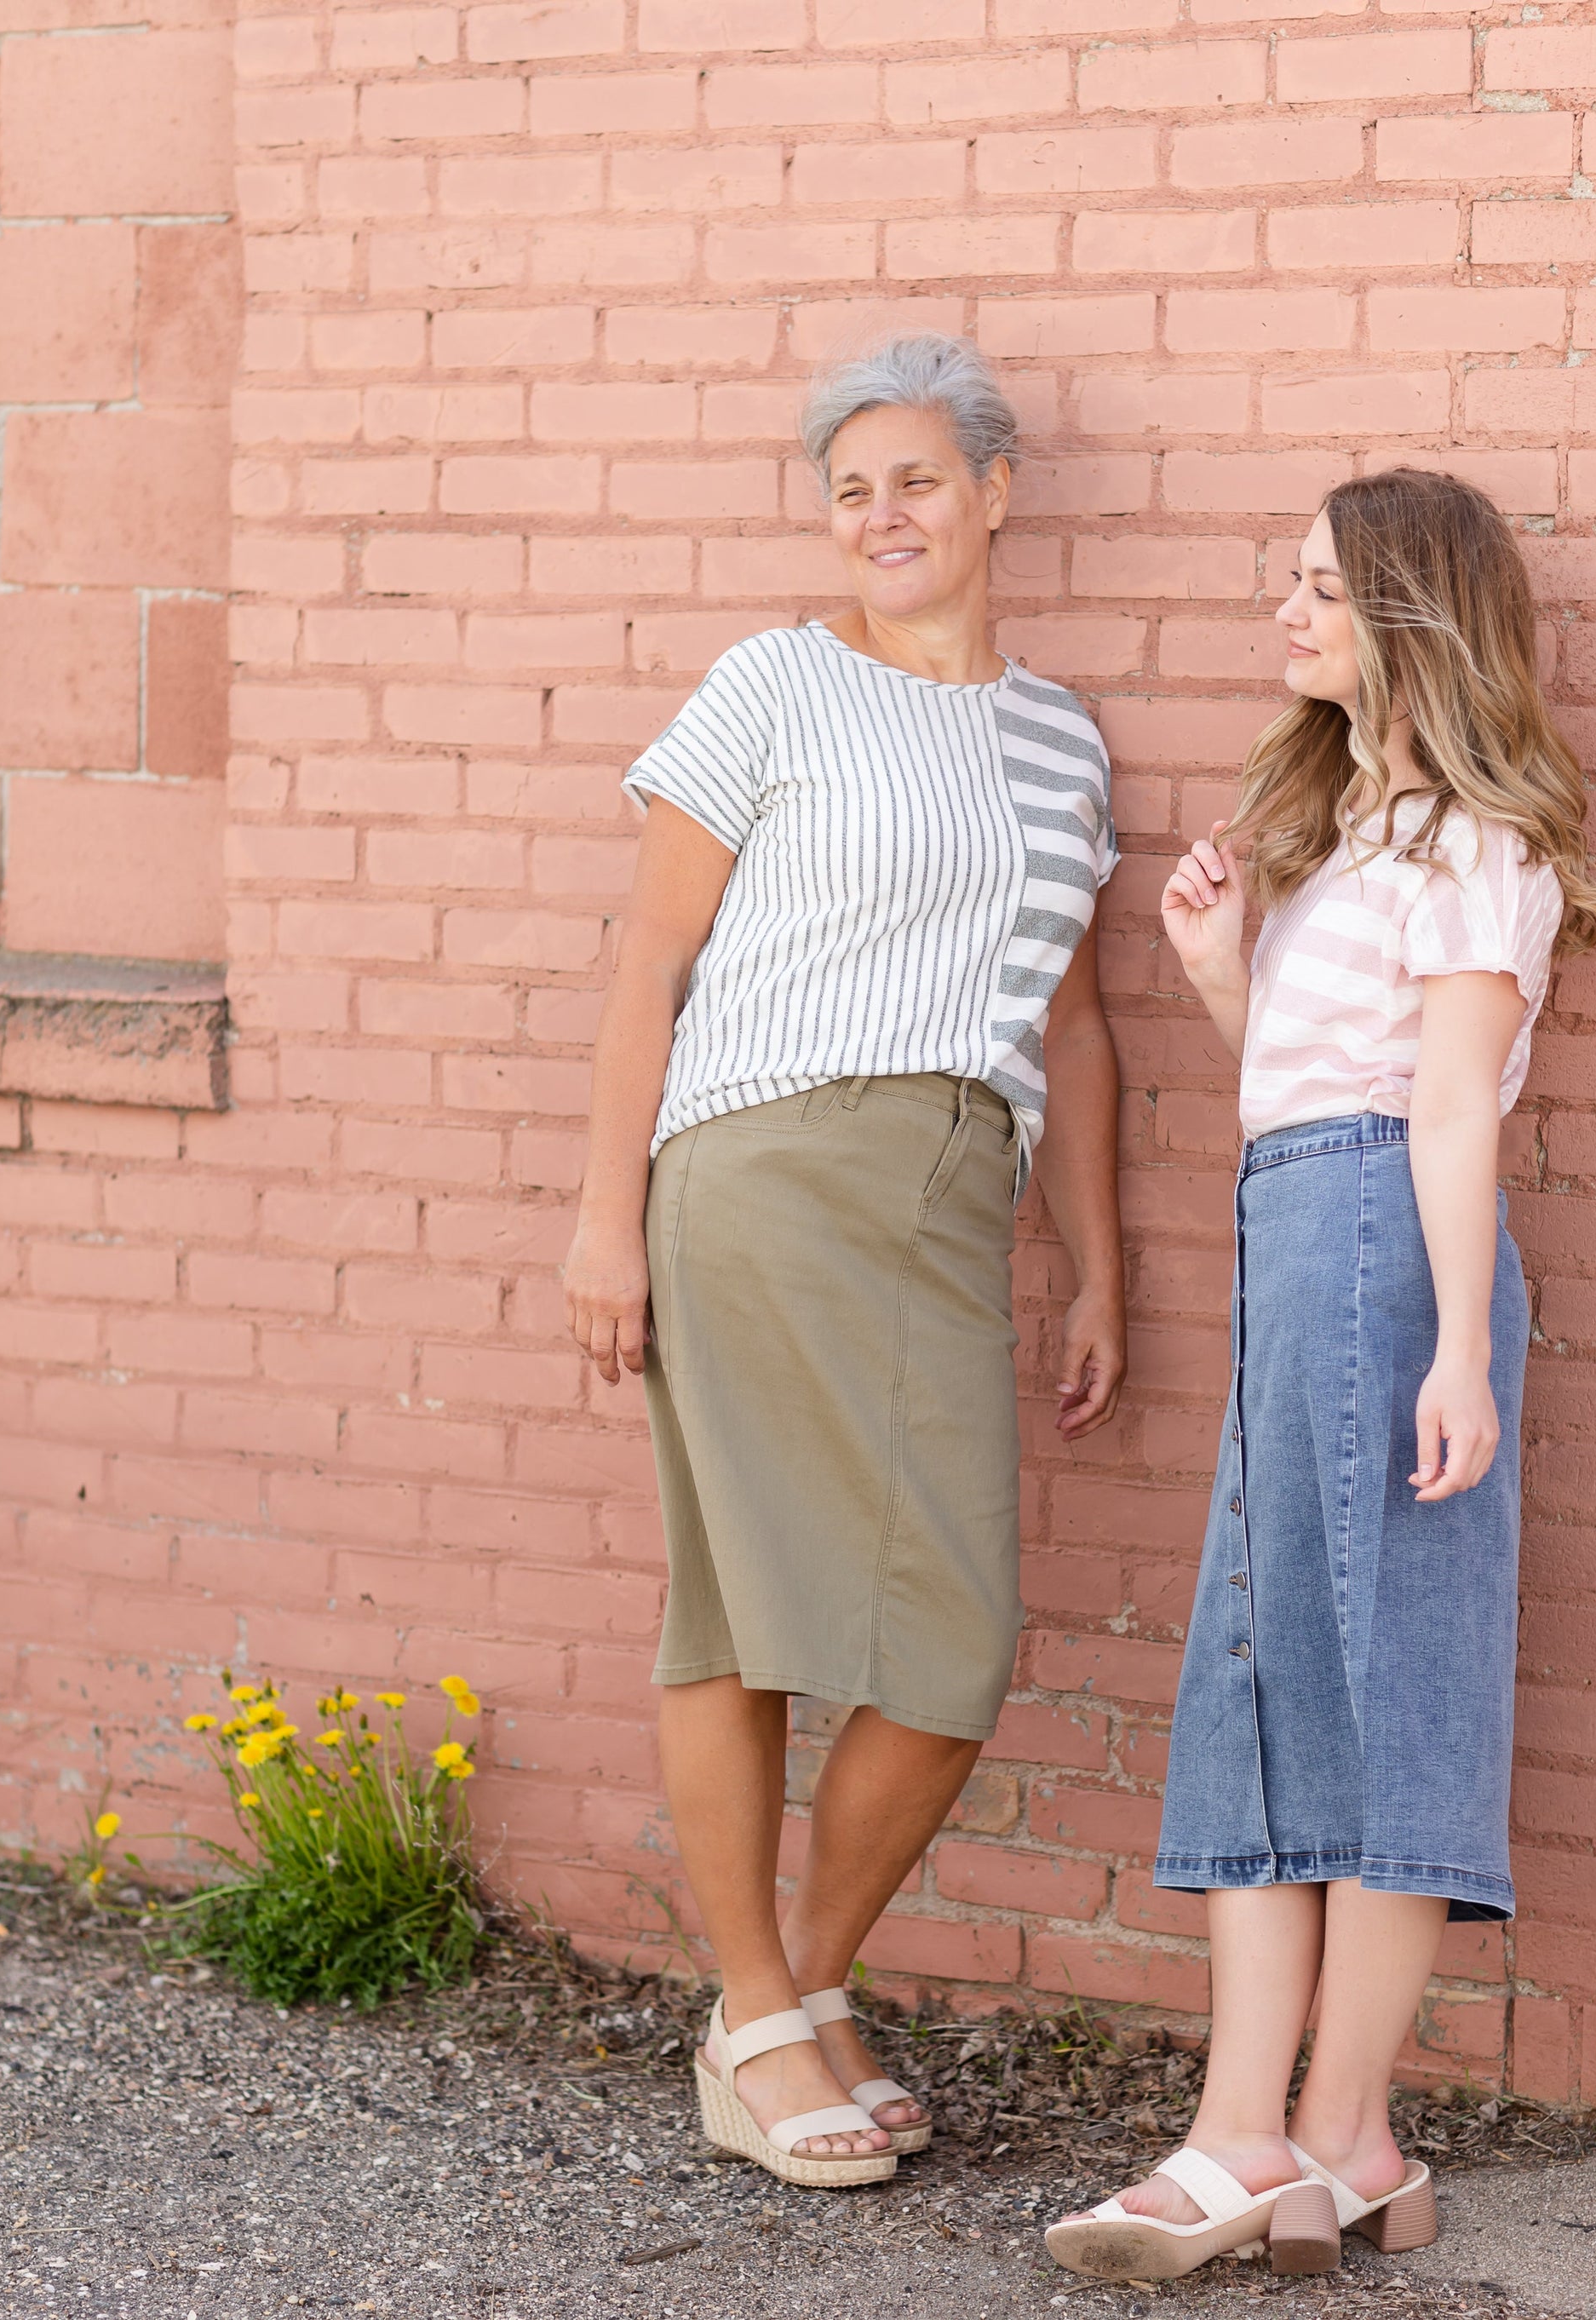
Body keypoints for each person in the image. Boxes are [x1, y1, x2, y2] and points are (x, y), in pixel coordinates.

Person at [562, 334, 1127, 2187]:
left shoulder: (1061, 740)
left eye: (913, 480)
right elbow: (649, 959)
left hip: (957, 1199)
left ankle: (784, 1999)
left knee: (948, 1643)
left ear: (994, 496)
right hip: (765, 1166)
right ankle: (761, 2008)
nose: (880, 516)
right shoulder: (774, 687)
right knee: (740, 1611)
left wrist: (1100, 1267)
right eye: (849, 489)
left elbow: (1075, 1023)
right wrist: (599, 1217)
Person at [1047, 467, 1596, 2281]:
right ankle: (1302, 2140)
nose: (1281, 614)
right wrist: (1222, 972)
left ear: (1409, 614)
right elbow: (1298, 1084)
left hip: (1385, 1251)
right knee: (1268, 1679)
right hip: (1301, 1240)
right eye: (1280, 580)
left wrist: (1457, 1348)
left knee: (1382, 1688)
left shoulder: (1476, 842)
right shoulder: (1353, 833)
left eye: (1315, 587)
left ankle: (1296, 2134)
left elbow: (1445, 1108)